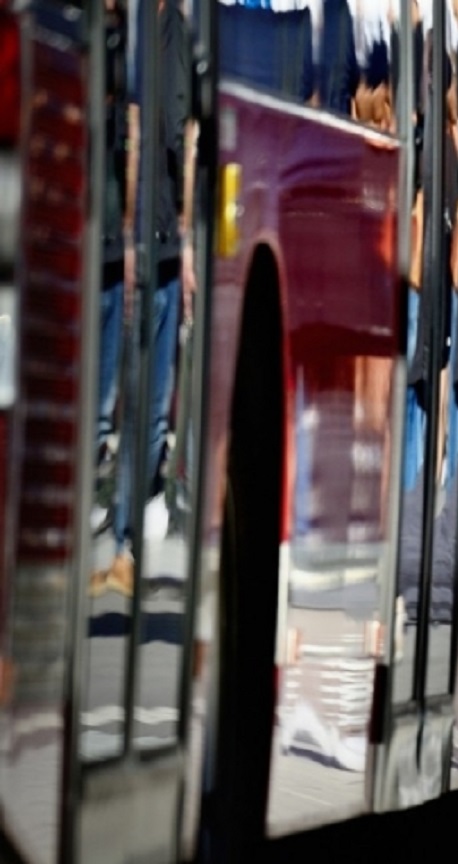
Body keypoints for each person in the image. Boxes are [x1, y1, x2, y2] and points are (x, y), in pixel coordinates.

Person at [91, 0, 193, 596]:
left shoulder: (152, 27)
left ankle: (121, 547)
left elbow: (178, 134)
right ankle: (111, 545)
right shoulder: (147, 28)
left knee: (138, 412)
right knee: (124, 411)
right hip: (138, 247)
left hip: (144, 246)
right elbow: (162, 134)